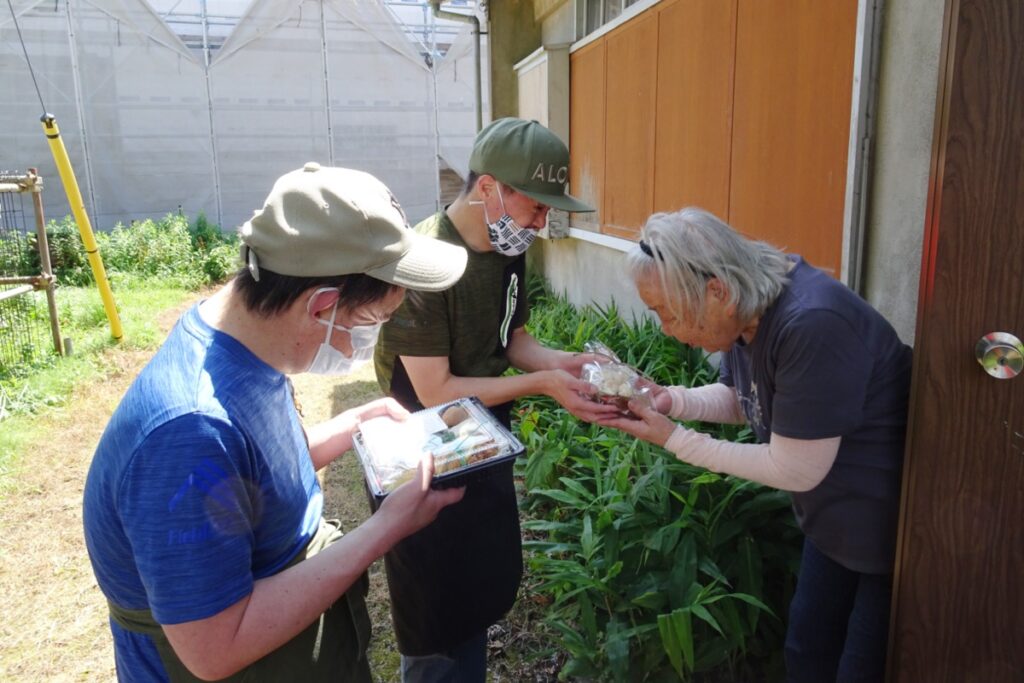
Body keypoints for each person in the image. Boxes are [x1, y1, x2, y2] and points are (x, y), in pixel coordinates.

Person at [82, 162, 470, 682]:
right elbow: (214, 647)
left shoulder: (238, 340)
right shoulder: (188, 431)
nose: (368, 339)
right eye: (372, 321)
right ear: (323, 305)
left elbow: (247, 473)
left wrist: (352, 422)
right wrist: (387, 527)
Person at [598, 207, 912, 682]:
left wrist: (675, 439)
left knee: (858, 669)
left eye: (668, 312)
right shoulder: (746, 315)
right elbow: (743, 399)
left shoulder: (811, 324)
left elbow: (796, 469)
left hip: (888, 530)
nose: (666, 328)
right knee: (806, 651)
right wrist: (671, 401)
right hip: (833, 524)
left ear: (716, 291)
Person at [373, 117, 619, 681]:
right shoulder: (421, 261)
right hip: (425, 452)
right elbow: (434, 390)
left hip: (486, 440)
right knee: (434, 614)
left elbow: (512, 339)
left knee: (479, 587)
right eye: (535, 206)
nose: (541, 221)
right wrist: (542, 385)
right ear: (488, 189)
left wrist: (564, 364)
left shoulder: (508, 243)